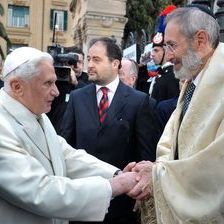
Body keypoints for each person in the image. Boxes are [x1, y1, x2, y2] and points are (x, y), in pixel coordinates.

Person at [0, 46, 144, 224]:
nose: (57, 91)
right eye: (47, 83)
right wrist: (114, 186)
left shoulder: (36, 113)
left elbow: (67, 155)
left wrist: (116, 174)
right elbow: (41, 191)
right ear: (17, 87)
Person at [130, 5, 224, 223]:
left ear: (200, 40)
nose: (168, 56)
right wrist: (157, 170)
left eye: (172, 45)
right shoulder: (194, 80)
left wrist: (157, 177)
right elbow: (172, 141)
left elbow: (216, 164)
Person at [61, 37, 161, 224]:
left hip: (123, 207)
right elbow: (66, 145)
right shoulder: (77, 98)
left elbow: (146, 154)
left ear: (115, 64)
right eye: (89, 59)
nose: (89, 65)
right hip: (83, 201)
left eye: (96, 60)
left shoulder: (139, 101)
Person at [47, 46, 89, 134]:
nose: (76, 66)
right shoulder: (56, 78)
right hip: (54, 131)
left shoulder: (88, 81)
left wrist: (76, 83)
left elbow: (91, 98)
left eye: (79, 62)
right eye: (72, 62)